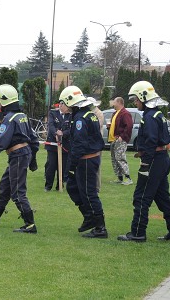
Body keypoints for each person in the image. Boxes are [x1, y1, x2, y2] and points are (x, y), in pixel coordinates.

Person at [117, 81, 170, 242]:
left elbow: (152, 140)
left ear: (143, 98)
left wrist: (145, 162)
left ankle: (138, 232)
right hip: (161, 159)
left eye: (136, 99)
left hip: (154, 160)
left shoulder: (149, 117)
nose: (135, 102)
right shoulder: (157, 114)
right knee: (162, 198)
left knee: (141, 197)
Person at [0, 84, 39, 233]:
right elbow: (34, 139)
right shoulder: (22, 116)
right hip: (22, 154)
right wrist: (33, 158)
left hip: (17, 155)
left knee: (17, 192)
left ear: (5, 101)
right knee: (5, 186)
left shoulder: (9, 119)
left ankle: (30, 225)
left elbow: (2, 141)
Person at [57, 86, 107, 238]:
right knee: (73, 188)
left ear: (71, 102)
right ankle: (89, 218)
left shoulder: (80, 118)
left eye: (62, 103)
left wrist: (71, 167)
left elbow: (79, 144)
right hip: (88, 158)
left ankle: (100, 227)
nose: (60, 106)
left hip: (86, 160)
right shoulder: (87, 115)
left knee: (89, 193)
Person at [43, 99, 70, 191]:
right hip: (52, 145)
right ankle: (48, 186)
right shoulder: (53, 113)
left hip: (65, 145)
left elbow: (70, 129)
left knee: (62, 166)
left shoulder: (70, 116)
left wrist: (62, 133)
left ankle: (60, 185)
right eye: (65, 106)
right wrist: (56, 133)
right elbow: (51, 125)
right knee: (51, 165)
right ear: (61, 105)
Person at [108, 97, 133, 185]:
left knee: (120, 157)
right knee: (114, 159)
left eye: (114, 102)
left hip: (120, 140)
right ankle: (119, 177)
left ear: (119, 102)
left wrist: (122, 136)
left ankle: (128, 177)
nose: (113, 104)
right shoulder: (115, 113)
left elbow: (129, 126)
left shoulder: (125, 113)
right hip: (113, 140)